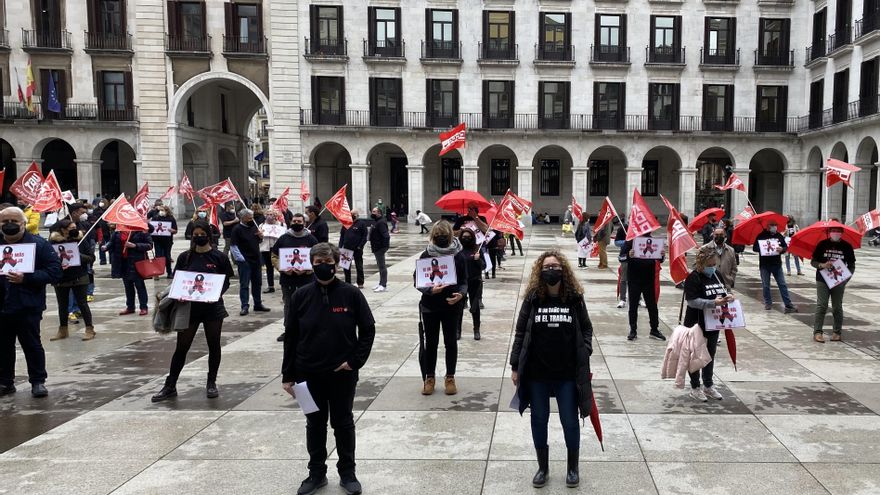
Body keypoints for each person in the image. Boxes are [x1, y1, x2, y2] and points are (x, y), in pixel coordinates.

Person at [281, 243, 375, 495]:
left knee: (343, 422)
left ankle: (348, 472)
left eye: (327, 261)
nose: (323, 265)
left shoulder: (351, 294)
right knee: (314, 423)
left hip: (342, 373)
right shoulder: (300, 296)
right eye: (318, 261)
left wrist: (355, 361)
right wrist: (287, 375)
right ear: (311, 264)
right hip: (307, 374)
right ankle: (316, 473)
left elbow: (368, 329)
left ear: (336, 263)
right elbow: (290, 336)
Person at [510, 250, 593, 488]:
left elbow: (587, 328)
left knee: (569, 420)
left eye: (555, 266)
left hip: (566, 373)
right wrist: (516, 366)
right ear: (540, 270)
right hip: (537, 373)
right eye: (547, 266)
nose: (551, 270)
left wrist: (584, 350)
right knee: (538, 419)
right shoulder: (533, 298)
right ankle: (542, 468)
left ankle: (572, 468)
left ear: (563, 269)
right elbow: (520, 333)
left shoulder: (574, 298)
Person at [151, 220, 235, 402]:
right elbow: (178, 280)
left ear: (208, 235)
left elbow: (226, 280)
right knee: (182, 347)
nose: (198, 237)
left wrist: (216, 293)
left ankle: (211, 382)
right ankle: (170, 385)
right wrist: (179, 294)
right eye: (195, 235)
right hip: (189, 308)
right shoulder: (185, 257)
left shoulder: (219, 257)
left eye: (201, 234)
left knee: (214, 345)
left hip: (213, 307)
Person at [0, 207, 62, 398]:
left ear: (23, 223)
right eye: (4, 221)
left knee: (32, 344)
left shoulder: (39, 245)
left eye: (14, 221)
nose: (9, 224)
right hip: (2, 305)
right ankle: (5, 382)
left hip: (28, 305)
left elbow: (55, 272)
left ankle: (37, 381)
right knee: (3, 346)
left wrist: (27, 278)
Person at [415, 221, 467, 396]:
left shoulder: (458, 256)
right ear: (433, 237)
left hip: (451, 305)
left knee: (450, 342)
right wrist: (430, 290)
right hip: (430, 306)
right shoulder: (425, 255)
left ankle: (450, 377)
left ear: (451, 236)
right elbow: (417, 280)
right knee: (431, 343)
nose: (441, 238)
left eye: (444, 235)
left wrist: (461, 294)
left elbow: (464, 281)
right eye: (438, 236)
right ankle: (429, 377)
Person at [683, 246, 736, 402]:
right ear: (702, 263)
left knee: (710, 355)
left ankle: (708, 384)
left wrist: (728, 297)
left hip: (713, 323)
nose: (713, 267)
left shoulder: (717, 275)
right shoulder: (693, 277)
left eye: (714, 264)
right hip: (696, 323)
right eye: (710, 264)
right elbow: (692, 301)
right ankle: (695, 386)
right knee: (695, 356)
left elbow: (722, 291)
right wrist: (713, 303)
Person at [48, 220, 97, 341]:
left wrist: (78, 256)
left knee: (82, 303)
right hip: (61, 277)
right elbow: (49, 258)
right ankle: (63, 329)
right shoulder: (53, 241)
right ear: (63, 229)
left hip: (79, 276)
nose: (74, 229)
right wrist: (58, 264)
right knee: (62, 305)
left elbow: (91, 258)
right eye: (71, 227)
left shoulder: (81, 240)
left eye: (75, 227)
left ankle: (89, 328)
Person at [272, 213, 318, 341]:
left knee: (308, 304)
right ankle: (289, 330)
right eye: (294, 221)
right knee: (289, 304)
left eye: (299, 221)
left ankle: (307, 330)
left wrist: (307, 270)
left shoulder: (311, 239)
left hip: (307, 279)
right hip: (287, 279)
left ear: (304, 223)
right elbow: (274, 256)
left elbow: (318, 257)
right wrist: (283, 269)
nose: (296, 223)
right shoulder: (283, 238)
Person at [811, 224, 856, 342]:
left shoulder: (847, 246)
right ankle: (817, 332)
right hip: (822, 279)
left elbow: (851, 266)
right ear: (829, 231)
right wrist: (822, 265)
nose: (836, 233)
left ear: (842, 232)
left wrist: (846, 279)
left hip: (838, 280)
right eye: (833, 230)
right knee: (822, 305)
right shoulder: (822, 244)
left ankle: (837, 332)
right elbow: (813, 261)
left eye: (838, 231)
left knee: (837, 307)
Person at [624, 232, 666, 341]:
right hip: (634, 279)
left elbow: (660, 259)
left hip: (649, 279)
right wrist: (629, 255)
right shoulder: (630, 241)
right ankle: (633, 330)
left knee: (652, 306)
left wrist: (662, 254)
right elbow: (621, 257)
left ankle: (654, 329)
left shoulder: (653, 241)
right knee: (633, 306)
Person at [230, 208, 270, 316]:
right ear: (243, 218)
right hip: (245, 260)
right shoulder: (237, 229)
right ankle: (244, 306)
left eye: (252, 217)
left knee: (257, 283)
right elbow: (233, 246)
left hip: (256, 259)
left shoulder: (254, 227)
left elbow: (258, 240)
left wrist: (261, 237)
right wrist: (241, 259)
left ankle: (258, 304)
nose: (251, 220)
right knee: (244, 284)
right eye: (249, 218)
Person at [106, 223, 152, 316]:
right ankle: (130, 307)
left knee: (139, 285)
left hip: (136, 262)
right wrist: (106, 247)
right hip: (123, 262)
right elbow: (111, 242)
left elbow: (149, 245)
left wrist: (135, 245)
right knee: (128, 286)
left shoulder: (140, 230)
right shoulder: (118, 231)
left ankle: (143, 307)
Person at [753, 220, 798, 313]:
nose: (774, 227)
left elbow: (785, 247)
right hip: (765, 265)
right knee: (766, 285)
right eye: (772, 225)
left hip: (777, 264)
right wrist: (763, 248)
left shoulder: (779, 236)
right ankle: (768, 303)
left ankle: (788, 303)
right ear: (767, 226)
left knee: (782, 284)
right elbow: (754, 248)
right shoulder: (761, 235)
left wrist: (782, 249)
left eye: (775, 225)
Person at [458, 227, 483, 341]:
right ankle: (458, 330)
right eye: (464, 237)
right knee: (459, 307)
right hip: (461, 283)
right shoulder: (457, 250)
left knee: (475, 307)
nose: (466, 239)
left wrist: (478, 259)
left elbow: (484, 266)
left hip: (474, 282)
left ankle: (476, 329)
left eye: (468, 237)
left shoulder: (477, 249)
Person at [339, 209, 368, 288]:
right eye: (350, 213)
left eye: (353, 214)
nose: (351, 215)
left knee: (359, 266)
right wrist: (340, 246)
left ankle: (360, 283)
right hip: (346, 249)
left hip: (357, 249)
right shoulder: (346, 223)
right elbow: (342, 236)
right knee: (346, 267)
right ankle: (348, 283)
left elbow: (365, 236)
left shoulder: (361, 224)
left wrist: (360, 246)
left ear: (357, 215)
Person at [150, 204, 178, 279]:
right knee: (158, 256)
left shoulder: (171, 218)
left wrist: (172, 230)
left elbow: (175, 230)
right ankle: (157, 273)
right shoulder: (155, 218)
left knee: (167, 257)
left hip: (167, 241)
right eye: (160, 210)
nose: (161, 212)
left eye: (163, 210)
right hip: (157, 241)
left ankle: (169, 272)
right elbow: (151, 228)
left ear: (167, 211)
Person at [259, 208, 282, 294]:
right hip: (265, 248)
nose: (269, 216)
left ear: (275, 216)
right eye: (267, 214)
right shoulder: (262, 225)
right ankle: (270, 286)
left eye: (271, 214)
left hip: (277, 248)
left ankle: (284, 284)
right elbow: (259, 237)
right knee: (269, 268)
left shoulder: (281, 224)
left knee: (281, 266)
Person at [369, 206, 390, 292]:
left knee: (382, 266)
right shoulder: (376, 222)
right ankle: (380, 283)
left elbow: (386, 236)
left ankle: (383, 285)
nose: (372, 213)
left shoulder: (381, 223)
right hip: (376, 247)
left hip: (379, 248)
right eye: (372, 211)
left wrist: (383, 247)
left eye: (374, 212)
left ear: (379, 213)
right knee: (379, 265)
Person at [614, 219, 628, 308]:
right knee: (624, 279)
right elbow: (616, 242)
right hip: (626, 258)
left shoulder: (641, 229)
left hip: (639, 259)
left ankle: (639, 299)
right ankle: (623, 299)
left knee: (638, 280)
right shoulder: (623, 228)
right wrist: (627, 242)